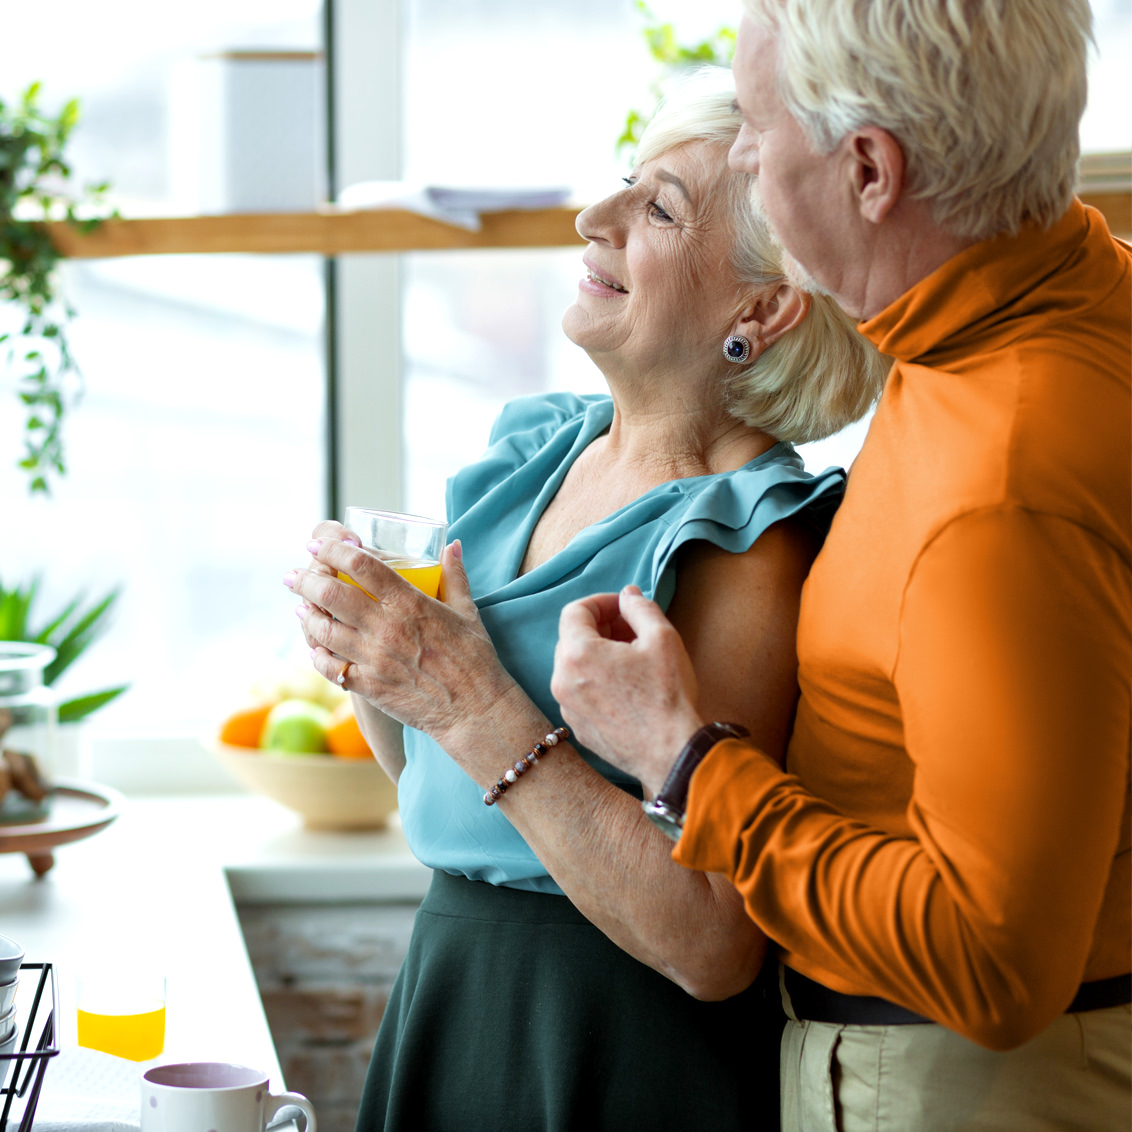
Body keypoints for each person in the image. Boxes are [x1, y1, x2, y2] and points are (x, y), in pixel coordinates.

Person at [550, 3, 1131, 1131]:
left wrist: (684, 760)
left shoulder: (999, 488)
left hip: (951, 1090)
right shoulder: (1055, 297)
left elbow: (994, 966)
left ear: (869, 170)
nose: (747, 161)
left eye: (758, 139)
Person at [284, 69, 886, 1132]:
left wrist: (466, 697)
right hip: (450, 991)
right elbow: (441, 779)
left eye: (655, 208)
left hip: (618, 1051)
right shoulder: (532, 451)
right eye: (623, 185)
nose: (590, 219)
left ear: (763, 305)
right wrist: (375, 656)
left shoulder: (751, 538)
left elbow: (712, 944)